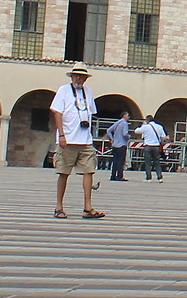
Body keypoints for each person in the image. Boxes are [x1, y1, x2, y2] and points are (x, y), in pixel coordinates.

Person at [49, 64, 104, 221]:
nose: (78, 78)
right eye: (76, 75)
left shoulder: (88, 92)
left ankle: (88, 207)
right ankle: (58, 206)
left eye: (81, 76)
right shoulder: (63, 90)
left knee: (89, 171)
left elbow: (90, 113)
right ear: (71, 76)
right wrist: (61, 135)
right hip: (67, 139)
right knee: (63, 172)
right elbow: (57, 113)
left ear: (86, 78)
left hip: (85, 140)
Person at [136, 113, 169, 180]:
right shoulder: (159, 126)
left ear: (147, 120)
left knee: (148, 162)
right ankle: (159, 177)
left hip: (148, 146)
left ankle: (148, 177)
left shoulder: (145, 126)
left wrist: (141, 125)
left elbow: (136, 131)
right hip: (156, 146)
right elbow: (164, 137)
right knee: (157, 162)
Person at [105, 109, 132, 182]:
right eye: (128, 115)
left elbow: (108, 130)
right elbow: (124, 133)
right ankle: (120, 176)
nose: (129, 117)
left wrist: (112, 138)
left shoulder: (117, 122)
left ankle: (113, 176)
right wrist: (128, 136)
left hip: (115, 144)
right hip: (122, 144)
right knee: (121, 161)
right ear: (124, 116)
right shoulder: (125, 123)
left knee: (115, 161)